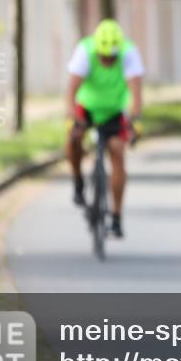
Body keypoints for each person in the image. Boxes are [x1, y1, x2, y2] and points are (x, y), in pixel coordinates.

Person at [65, 19, 144, 239]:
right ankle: (78, 180)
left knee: (117, 151)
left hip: (114, 110)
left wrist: (135, 121)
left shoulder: (129, 53)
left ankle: (116, 218)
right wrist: (72, 118)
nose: (108, 61)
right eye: (104, 57)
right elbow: (71, 90)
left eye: (112, 57)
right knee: (73, 138)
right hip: (87, 106)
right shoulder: (85, 50)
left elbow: (136, 95)